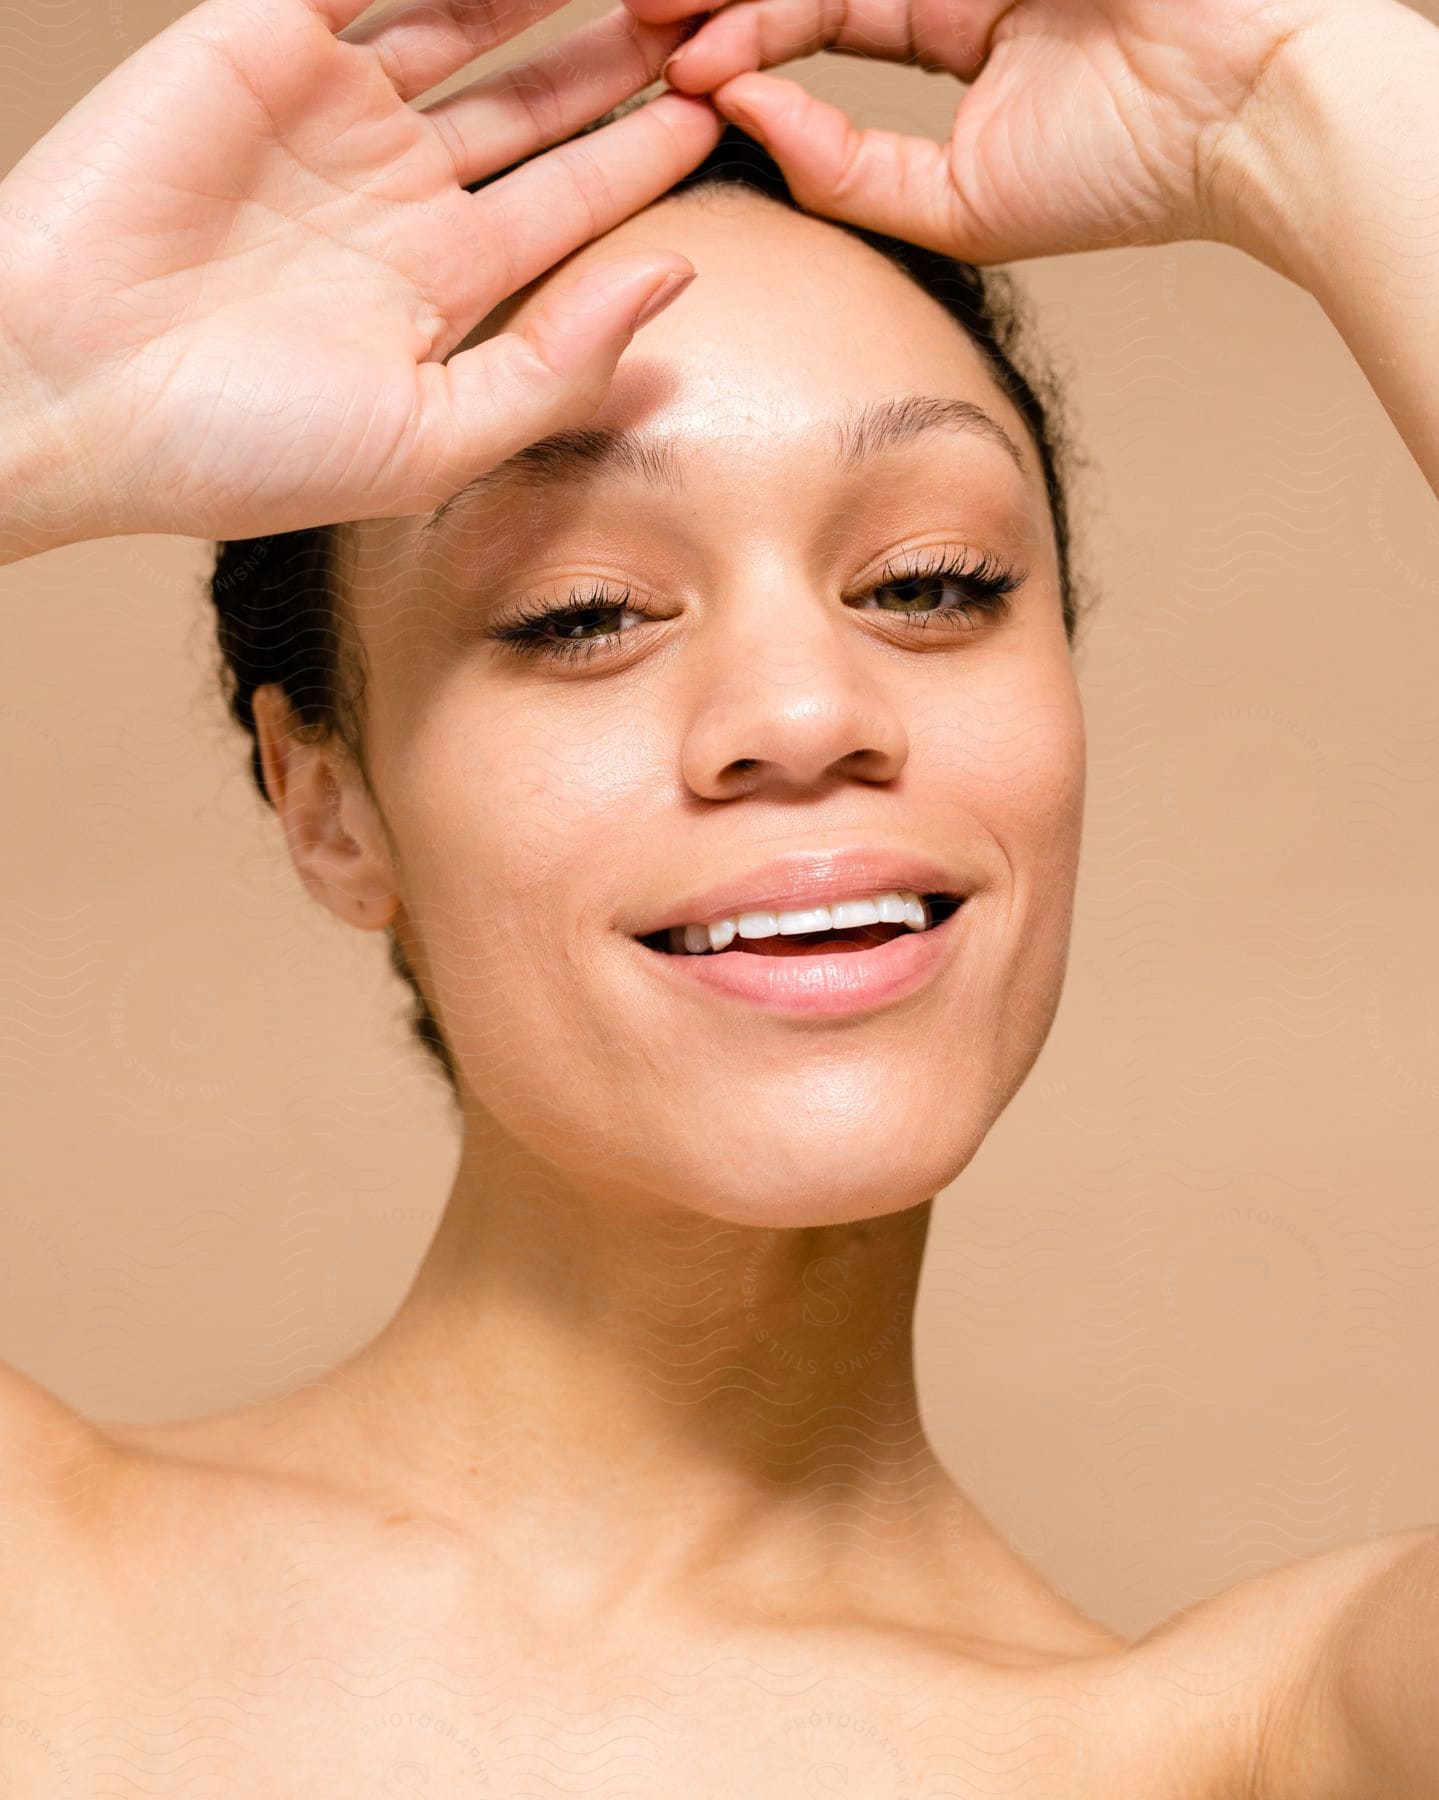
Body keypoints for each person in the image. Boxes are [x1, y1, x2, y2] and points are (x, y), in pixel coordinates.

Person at [0, 0, 1435, 1792]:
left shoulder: (1255, 1750)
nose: (807, 714)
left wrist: (1323, 93)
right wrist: (23, 393)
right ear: (330, 801)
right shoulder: (29, 1591)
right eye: (582, 612)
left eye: (930, 581)